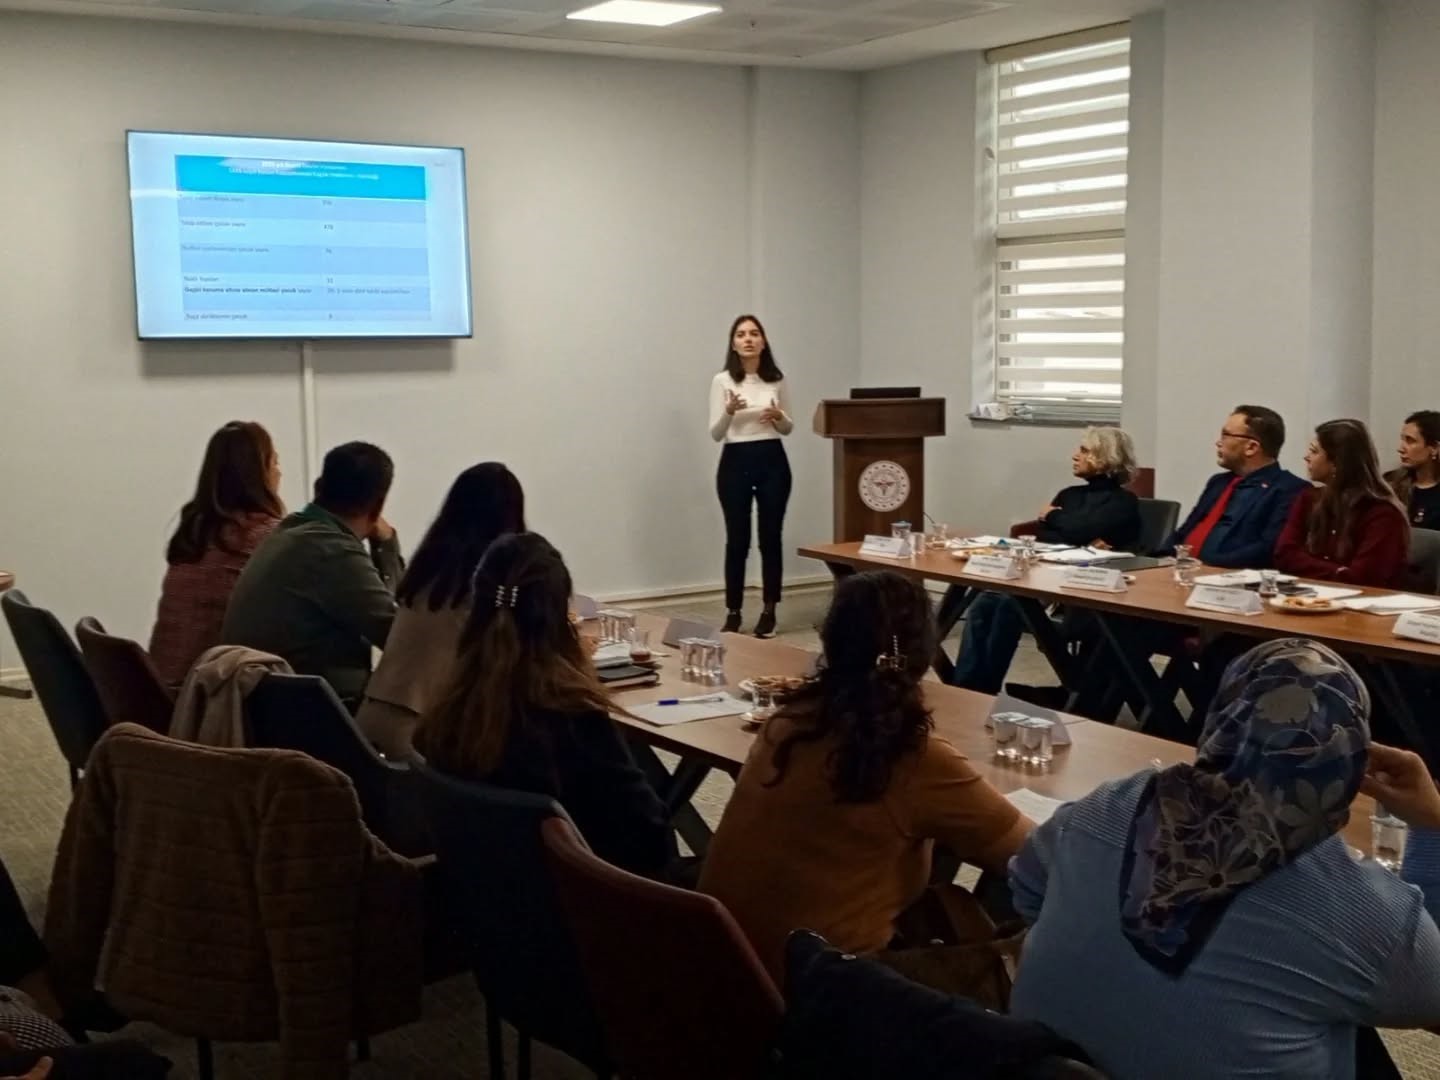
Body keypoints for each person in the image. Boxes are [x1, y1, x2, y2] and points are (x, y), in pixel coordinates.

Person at [1008, 639, 1440, 1080]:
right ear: (1351, 754)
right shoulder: (1356, 906)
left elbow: (1026, 887)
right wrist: (1432, 825)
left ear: (1221, 717)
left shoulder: (1109, 805)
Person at [698, 570, 1032, 981]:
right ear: (925, 652)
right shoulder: (913, 759)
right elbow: (1038, 859)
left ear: (828, 642)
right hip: (824, 991)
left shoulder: (786, 724)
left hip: (726, 971)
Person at [414, 532, 675, 878]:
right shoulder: (573, 716)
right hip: (588, 901)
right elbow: (652, 841)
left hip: (485, 898)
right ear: (560, 618)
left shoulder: (448, 708)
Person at [948, 427, 1141, 695]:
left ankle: (982, 692)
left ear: (1105, 456)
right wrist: (1077, 533)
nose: (1074, 456)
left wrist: (1055, 518)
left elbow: (1076, 530)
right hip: (1043, 572)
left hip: (1083, 588)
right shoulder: (1069, 494)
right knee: (985, 602)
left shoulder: (1124, 501)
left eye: (1084, 450)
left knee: (1009, 606)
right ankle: (967, 690)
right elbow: (1045, 535)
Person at [355, 463, 525, 757]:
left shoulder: (427, 572)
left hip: (370, 723)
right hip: (424, 735)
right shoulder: (490, 585)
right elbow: (519, 665)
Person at [222, 441, 401, 702]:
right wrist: (387, 544)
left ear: (318, 487)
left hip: (265, 709)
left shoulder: (286, 534)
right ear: (378, 506)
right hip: (318, 714)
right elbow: (400, 639)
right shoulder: (331, 550)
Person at [148, 421, 284, 687]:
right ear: (259, 473)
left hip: (161, 689)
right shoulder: (267, 536)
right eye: (275, 462)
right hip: (209, 697)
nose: (279, 473)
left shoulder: (194, 530)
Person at [709, 314, 793, 639]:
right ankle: (733, 611)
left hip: (772, 458)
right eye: (741, 334)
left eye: (754, 333)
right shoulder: (722, 381)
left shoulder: (776, 380)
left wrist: (779, 416)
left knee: (770, 538)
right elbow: (716, 433)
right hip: (735, 459)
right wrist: (729, 412)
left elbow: (788, 428)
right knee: (737, 540)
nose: (748, 339)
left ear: (763, 341)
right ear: (733, 343)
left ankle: (770, 610)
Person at [1162, 405, 1309, 567]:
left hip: (1226, 575)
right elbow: (1186, 530)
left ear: (1251, 447)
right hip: (1180, 570)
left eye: (1226, 435)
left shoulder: (1289, 489)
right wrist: (1159, 559)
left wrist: (1206, 565)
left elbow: (1266, 549)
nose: (1218, 443)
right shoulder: (1218, 482)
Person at [1274, 419, 1409, 588]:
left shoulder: (1382, 513)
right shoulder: (1308, 499)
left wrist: (1309, 566)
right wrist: (1338, 571)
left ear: (1336, 462)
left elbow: (1363, 578)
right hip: (1310, 594)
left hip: (1363, 601)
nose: (1306, 457)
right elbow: (1284, 555)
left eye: (1314, 451)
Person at [1386, 409, 1440, 529]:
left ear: (1434, 448)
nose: (1401, 449)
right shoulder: (1389, 484)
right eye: (1402, 439)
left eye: (1410, 441)